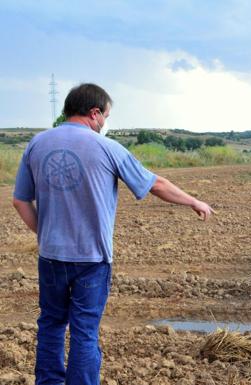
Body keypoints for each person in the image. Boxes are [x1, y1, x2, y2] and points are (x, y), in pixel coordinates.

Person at [12, 83, 214, 385]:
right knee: (84, 331)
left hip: (51, 257)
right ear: (94, 113)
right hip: (92, 258)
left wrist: (47, 234)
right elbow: (154, 184)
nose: (105, 123)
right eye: (106, 116)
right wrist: (193, 201)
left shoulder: (37, 144)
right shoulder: (106, 148)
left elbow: (20, 200)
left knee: (51, 324)